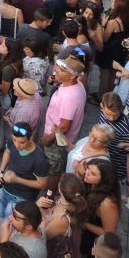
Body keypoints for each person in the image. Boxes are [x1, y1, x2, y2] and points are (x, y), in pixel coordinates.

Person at [41, 57, 87, 193]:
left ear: (72, 76)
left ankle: (48, 195)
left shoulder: (69, 98)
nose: (56, 72)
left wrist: (48, 139)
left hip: (57, 141)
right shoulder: (77, 84)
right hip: (58, 136)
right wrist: (58, 79)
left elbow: (65, 126)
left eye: (61, 71)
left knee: (54, 170)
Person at [0, 122, 50, 221]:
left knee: (9, 225)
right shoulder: (13, 141)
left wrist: (16, 180)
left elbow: (42, 184)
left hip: (21, 199)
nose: (17, 145)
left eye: (22, 142)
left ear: (31, 138)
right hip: (4, 190)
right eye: (15, 140)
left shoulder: (40, 160)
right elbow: (8, 151)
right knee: (2, 217)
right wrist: (1, 170)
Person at [80, 161, 121, 255]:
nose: (87, 173)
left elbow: (108, 234)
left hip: (90, 244)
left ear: (104, 180)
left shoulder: (107, 203)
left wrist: (84, 224)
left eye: (93, 174)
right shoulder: (90, 184)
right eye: (88, 169)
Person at [96, 93, 129, 182]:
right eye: (108, 114)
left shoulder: (126, 127)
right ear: (101, 106)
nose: (111, 118)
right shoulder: (102, 113)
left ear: (120, 109)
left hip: (116, 169)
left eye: (115, 115)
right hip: (102, 160)